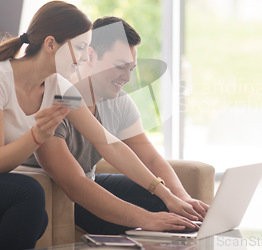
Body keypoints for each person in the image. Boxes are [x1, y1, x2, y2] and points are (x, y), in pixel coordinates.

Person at [0, 2, 197, 250]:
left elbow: (108, 144)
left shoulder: (60, 88)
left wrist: (165, 193)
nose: (83, 58)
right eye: (79, 48)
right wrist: (37, 135)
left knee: (35, 221)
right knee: (28, 194)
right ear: (50, 44)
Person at [23, 16, 209, 235]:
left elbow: (150, 158)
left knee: (174, 211)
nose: (127, 77)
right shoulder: (56, 97)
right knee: (149, 215)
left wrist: (180, 198)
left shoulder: (119, 102)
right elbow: (74, 184)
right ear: (90, 55)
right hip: (58, 192)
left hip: (90, 180)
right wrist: (148, 219)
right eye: (121, 66)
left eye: (132, 68)